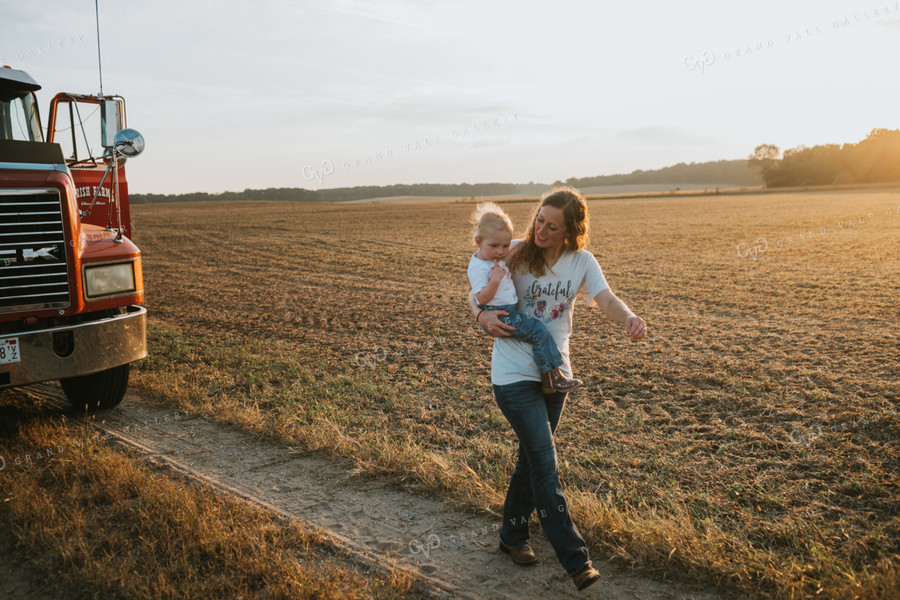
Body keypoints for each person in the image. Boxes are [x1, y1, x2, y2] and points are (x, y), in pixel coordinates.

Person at [469, 186, 647, 592]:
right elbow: (475, 285)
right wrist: (480, 317)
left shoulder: (581, 261)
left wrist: (629, 318)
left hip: (556, 377)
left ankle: (512, 537)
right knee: (545, 463)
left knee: (530, 460)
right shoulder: (514, 250)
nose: (541, 231)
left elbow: (605, 299)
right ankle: (576, 560)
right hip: (513, 376)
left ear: (570, 232)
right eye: (539, 221)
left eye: (552, 226)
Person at [467, 203, 583, 393]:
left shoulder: (493, 256)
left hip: (507, 310)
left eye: (505, 245)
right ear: (478, 242)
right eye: (494, 246)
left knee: (537, 332)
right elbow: (480, 298)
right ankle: (553, 377)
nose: (501, 251)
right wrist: (494, 283)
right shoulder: (479, 267)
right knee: (538, 331)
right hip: (502, 314)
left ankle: (549, 379)